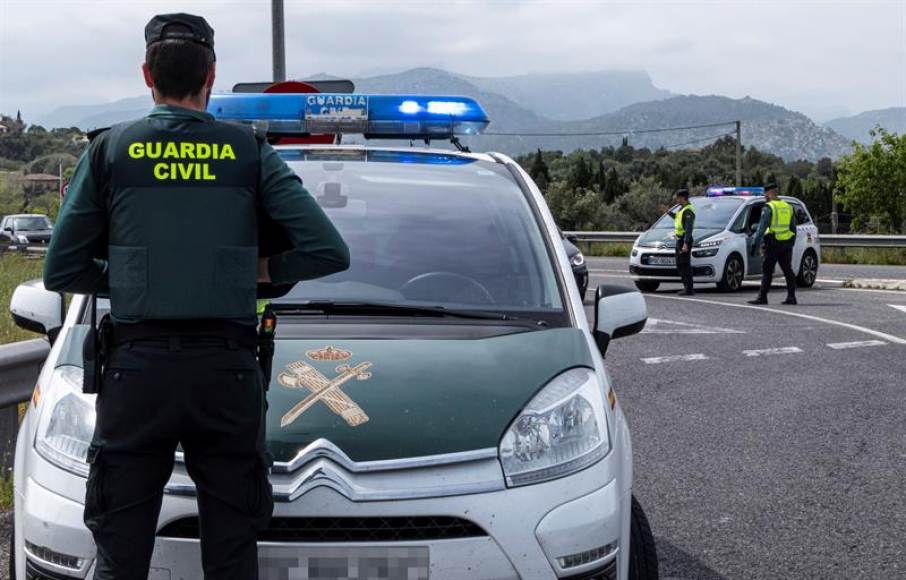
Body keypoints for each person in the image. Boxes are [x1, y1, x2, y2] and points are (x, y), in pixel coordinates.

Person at [43, 13, 350, 579]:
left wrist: (142, 278)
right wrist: (248, 273)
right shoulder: (249, 152)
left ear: (146, 74)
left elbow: (62, 266)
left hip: (135, 376)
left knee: (121, 552)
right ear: (211, 74)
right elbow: (329, 251)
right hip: (226, 375)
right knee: (233, 555)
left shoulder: (111, 152)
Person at [748, 182, 797, 305]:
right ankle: (792, 297)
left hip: (772, 244)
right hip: (786, 243)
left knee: (767, 271)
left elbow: (761, 229)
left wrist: (754, 245)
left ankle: (762, 297)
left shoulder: (769, 208)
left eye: (766, 193)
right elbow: (793, 228)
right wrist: (791, 243)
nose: (765, 195)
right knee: (787, 270)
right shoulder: (787, 206)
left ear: (770, 193)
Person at [673, 188, 695, 296]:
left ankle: (689, 289)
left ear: (683, 198)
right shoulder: (682, 209)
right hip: (679, 239)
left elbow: (689, 228)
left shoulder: (688, 211)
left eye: (678, 198)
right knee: (680, 264)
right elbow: (678, 220)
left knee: (684, 264)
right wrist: (668, 212)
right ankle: (687, 287)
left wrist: (685, 243)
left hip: (684, 240)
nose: (676, 200)